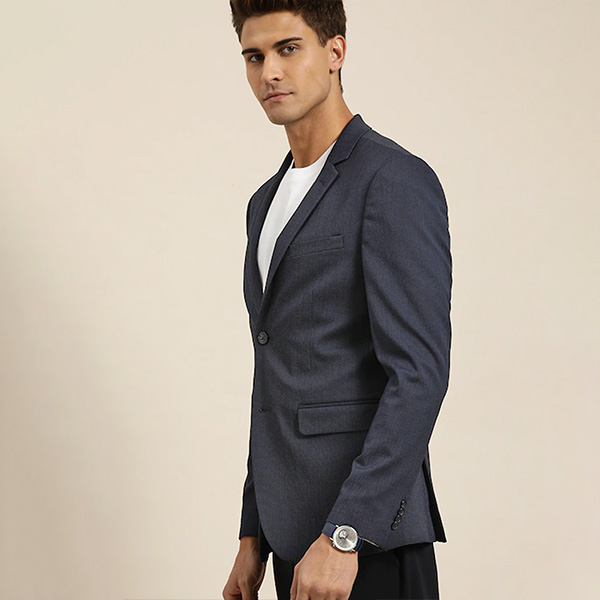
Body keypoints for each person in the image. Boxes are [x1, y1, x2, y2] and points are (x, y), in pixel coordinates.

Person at [223, 2, 452, 599]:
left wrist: (347, 534)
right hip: (290, 539)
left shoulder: (393, 180)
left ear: (335, 51)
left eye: (288, 49)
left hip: (364, 543)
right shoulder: (264, 203)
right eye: (254, 56)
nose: (270, 72)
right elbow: (277, 377)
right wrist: (252, 532)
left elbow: (419, 375)